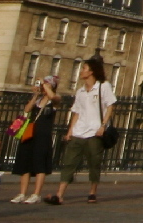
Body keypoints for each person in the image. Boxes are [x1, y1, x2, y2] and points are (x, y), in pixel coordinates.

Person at [48, 55, 114, 206]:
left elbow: (110, 106)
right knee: (69, 163)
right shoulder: (80, 91)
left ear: (91, 71)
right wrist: (70, 130)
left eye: (84, 68)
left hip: (95, 132)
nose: (81, 71)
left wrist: (103, 125)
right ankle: (60, 195)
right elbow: (76, 112)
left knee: (94, 163)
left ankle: (92, 192)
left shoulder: (104, 86)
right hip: (79, 131)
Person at [10, 75, 60, 202]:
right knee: (25, 162)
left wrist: (46, 86)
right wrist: (36, 95)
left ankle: (36, 194)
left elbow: (54, 97)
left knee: (40, 164)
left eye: (46, 84)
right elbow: (27, 109)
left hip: (43, 135)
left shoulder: (54, 100)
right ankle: (22, 193)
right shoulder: (39, 100)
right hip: (30, 132)